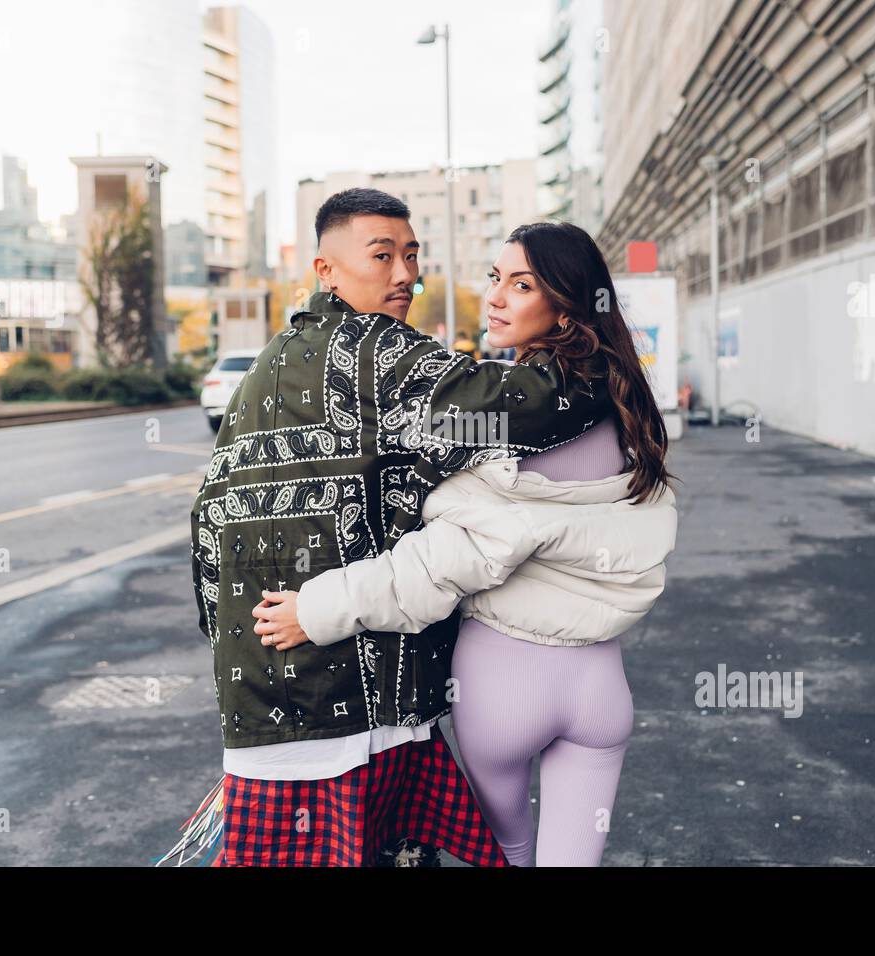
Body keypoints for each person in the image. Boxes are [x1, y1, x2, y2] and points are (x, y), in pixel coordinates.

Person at [163, 190, 612, 868]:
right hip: (365, 706)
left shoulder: (260, 373)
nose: (405, 274)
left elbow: (205, 526)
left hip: (258, 706)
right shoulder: (380, 348)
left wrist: (242, 659)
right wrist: (588, 343)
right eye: (382, 256)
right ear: (327, 270)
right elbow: (527, 407)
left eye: (411, 256)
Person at [251, 221, 679, 866]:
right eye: (495, 278)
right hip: (600, 691)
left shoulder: (508, 424)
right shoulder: (624, 412)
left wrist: (318, 610)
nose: (497, 298)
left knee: (510, 856)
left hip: (501, 690)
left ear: (565, 304)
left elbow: (445, 561)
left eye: (523, 284)